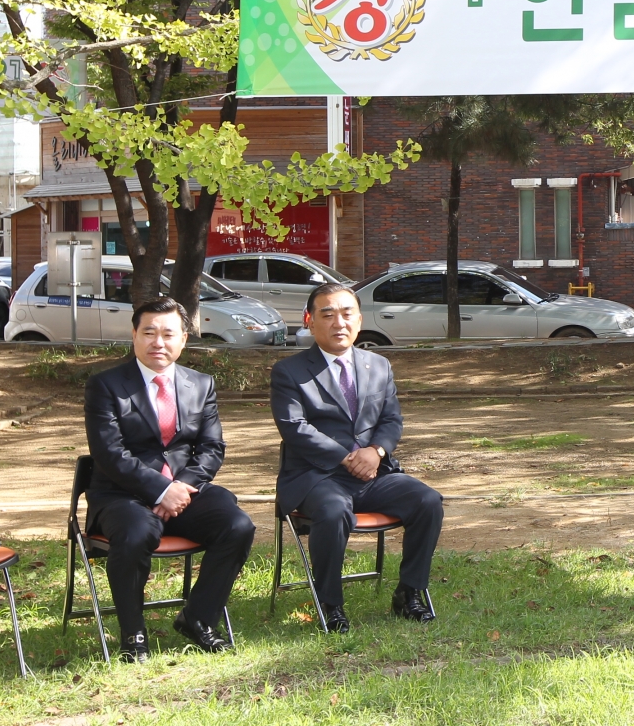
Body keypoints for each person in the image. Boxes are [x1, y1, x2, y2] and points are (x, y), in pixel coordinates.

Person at [83, 296, 256, 661]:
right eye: (149, 332)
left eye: (167, 334)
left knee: (237, 525)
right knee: (135, 533)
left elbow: (212, 448)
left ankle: (197, 618)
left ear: (184, 340)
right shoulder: (106, 385)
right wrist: (160, 489)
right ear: (134, 335)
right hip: (122, 495)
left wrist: (180, 488)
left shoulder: (200, 384)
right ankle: (133, 635)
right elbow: (109, 453)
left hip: (185, 492)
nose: (157, 342)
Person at [270, 282, 443, 633]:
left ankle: (409, 592)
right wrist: (349, 457)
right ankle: (331, 604)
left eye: (347, 313)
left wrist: (376, 451)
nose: (339, 322)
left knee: (428, 501)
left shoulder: (378, 365)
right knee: (334, 512)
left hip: (373, 473)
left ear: (360, 320)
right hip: (316, 477)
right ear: (309, 320)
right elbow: (294, 428)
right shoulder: (289, 371)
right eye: (328, 314)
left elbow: (392, 419)